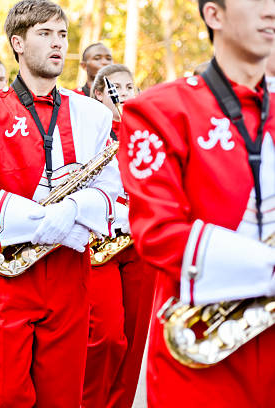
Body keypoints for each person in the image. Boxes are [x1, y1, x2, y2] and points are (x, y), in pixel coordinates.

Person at [0, 1, 121, 406]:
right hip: (4, 271)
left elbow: (113, 186)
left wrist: (75, 212)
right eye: (44, 34)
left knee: (62, 395)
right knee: (0, 394)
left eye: (62, 35)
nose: (57, 44)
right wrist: (44, 220)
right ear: (18, 42)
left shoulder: (93, 113)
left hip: (69, 272)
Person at [118, 1, 275, 407]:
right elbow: (157, 233)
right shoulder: (157, 110)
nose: (271, 12)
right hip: (201, 353)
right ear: (214, 15)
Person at [81, 64, 155, 408]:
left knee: (135, 341)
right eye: (117, 87)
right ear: (100, 95)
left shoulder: (146, 135)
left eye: (130, 86)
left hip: (139, 244)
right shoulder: (89, 132)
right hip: (101, 242)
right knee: (108, 337)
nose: (125, 93)